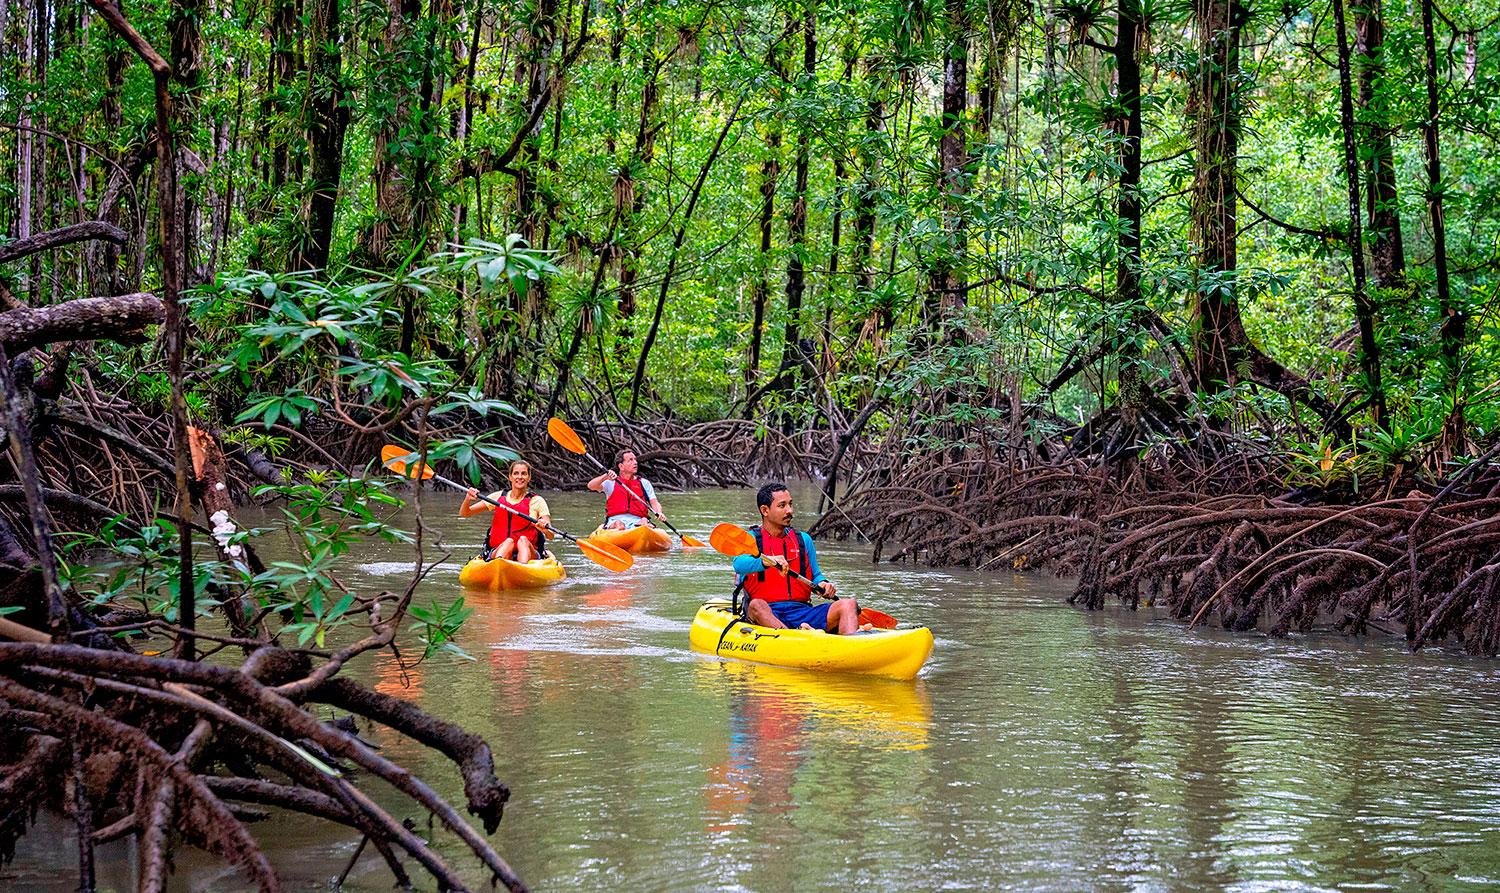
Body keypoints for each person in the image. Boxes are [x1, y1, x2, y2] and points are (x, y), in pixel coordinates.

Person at [731, 482, 866, 634]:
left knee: (848, 604)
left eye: (790, 504)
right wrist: (766, 560)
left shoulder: (803, 540)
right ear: (765, 510)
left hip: (802, 612)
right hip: (768, 612)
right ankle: (793, 636)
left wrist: (823, 584)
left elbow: (815, 575)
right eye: (782, 506)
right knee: (756, 605)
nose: (789, 510)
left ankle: (852, 643)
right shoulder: (751, 539)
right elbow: (739, 564)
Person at [461, 459, 552, 562]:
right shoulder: (497, 497)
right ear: (510, 476)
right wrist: (468, 498)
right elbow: (465, 513)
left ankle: (522, 567)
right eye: (516, 473)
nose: (520, 477)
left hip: (529, 553)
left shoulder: (537, 501)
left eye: (524, 474)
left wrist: (544, 529)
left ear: (529, 477)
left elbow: (551, 535)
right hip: (499, 550)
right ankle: (497, 565)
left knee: (523, 540)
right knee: (509, 541)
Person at [587, 449, 665, 530]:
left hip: (638, 520)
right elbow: (591, 486)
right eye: (630, 460)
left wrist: (659, 512)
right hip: (615, 520)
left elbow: (654, 503)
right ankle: (620, 531)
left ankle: (641, 531)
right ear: (621, 466)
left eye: (635, 459)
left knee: (644, 520)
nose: (635, 462)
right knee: (619, 523)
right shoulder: (611, 482)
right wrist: (605, 477)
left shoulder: (644, 483)